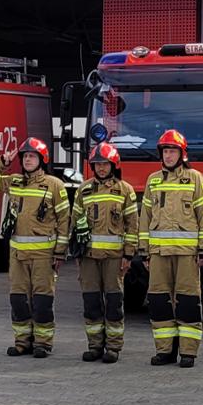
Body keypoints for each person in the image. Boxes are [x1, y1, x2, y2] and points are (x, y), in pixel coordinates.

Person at [0, 137, 70, 358]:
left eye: (32, 156)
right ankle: (22, 342)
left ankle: (43, 343)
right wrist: (2, 161)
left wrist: (60, 253)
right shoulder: (14, 181)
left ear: (42, 159)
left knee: (42, 302)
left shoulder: (54, 185)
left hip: (44, 256)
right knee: (18, 300)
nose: (28, 159)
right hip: (18, 256)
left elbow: (63, 220)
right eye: (25, 156)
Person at [140, 129, 203, 367]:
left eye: (173, 151)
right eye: (166, 151)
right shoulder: (153, 180)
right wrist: (145, 251)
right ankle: (164, 351)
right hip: (159, 254)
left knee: (188, 301)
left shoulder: (195, 178)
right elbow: (145, 217)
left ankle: (188, 352)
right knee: (159, 301)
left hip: (187, 254)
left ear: (182, 154)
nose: (169, 156)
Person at [73, 142, 140, 363]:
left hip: (114, 258)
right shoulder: (83, 190)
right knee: (91, 302)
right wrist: (76, 253)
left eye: (105, 164)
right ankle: (94, 346)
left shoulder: (125, 190)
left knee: (113, 303)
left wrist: (128, 255)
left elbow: (133, 225)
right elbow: (75, 223)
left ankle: (113, 347)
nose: (101, 168)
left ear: (114, 165)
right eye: (98, 164)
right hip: (89, 258)